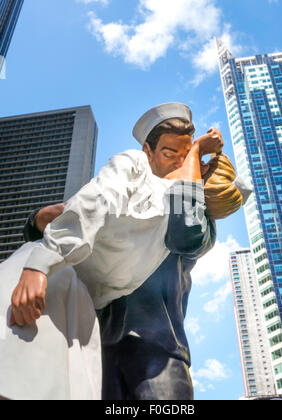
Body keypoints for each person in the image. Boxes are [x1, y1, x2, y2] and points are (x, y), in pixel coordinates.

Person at [21, 103, 252, 400]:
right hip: (94, 346)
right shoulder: (128, 189)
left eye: (188, 160)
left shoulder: (201, 224)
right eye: (170, 154)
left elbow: (185, 232)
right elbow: (74, 217)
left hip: (157, 350)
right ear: (148, 152)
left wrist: (194, 153)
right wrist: (39, 222)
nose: (179, 164)